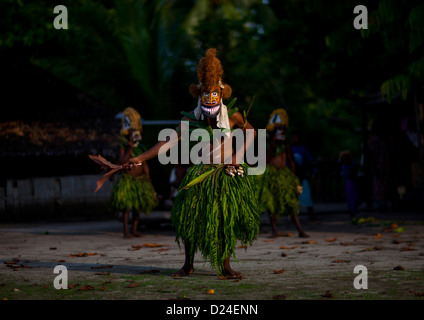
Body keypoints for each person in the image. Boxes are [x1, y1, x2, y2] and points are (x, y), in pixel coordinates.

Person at [126, 48, 261, 278]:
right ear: (199, 95)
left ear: (221, 94)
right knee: (189, 218)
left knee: (224, 220)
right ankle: (188, 264)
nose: (209, 99)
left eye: (214, 94)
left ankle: (225, 266)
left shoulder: (234, 116)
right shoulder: (190, 118)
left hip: (224, 175)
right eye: (205, 94)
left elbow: (251, 133)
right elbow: (167, 143)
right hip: (198, 174)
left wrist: (237, 157)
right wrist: (139, 157)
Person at [258, 109, 309, 238]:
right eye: (278, 130)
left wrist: (293, 177)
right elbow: (265, 160)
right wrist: (272, 149)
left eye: (283, 130)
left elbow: (291, 161)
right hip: (271, 176)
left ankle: (300, 230)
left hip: (284, 175)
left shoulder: (287, 146)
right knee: (272, 203)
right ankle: (274, 231)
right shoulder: (269, 145)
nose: (281, 132)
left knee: (291, 202)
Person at [109, 107, 158, 238]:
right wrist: (129, 149)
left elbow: (145, 164)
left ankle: (135, 230)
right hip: (128, 180)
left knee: (137, 207)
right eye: (132, 133)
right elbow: (121, 162)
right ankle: (126, 231)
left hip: (140, 180)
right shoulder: (123, 147)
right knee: (127, 207)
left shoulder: (142, 147)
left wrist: (148, 178)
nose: (135, 135)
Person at [290, 131, 317, 221]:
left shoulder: (303, 149)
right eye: (292, 137)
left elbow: (310, 161)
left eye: (295, 137)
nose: (294, 139)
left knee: (306, 195)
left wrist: (312, 171)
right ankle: (294, 216)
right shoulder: (289, 149)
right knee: (294, 196)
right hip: (292, 176)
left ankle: (311, 214)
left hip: (302, 175)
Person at [339, 150, 361, 221]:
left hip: (353, 181)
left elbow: (355, 173)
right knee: (350, 198)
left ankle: (354, 211)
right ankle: (352, 212)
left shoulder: (353, 164)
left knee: (355, 198)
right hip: (348, 182)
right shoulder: (342, 164)